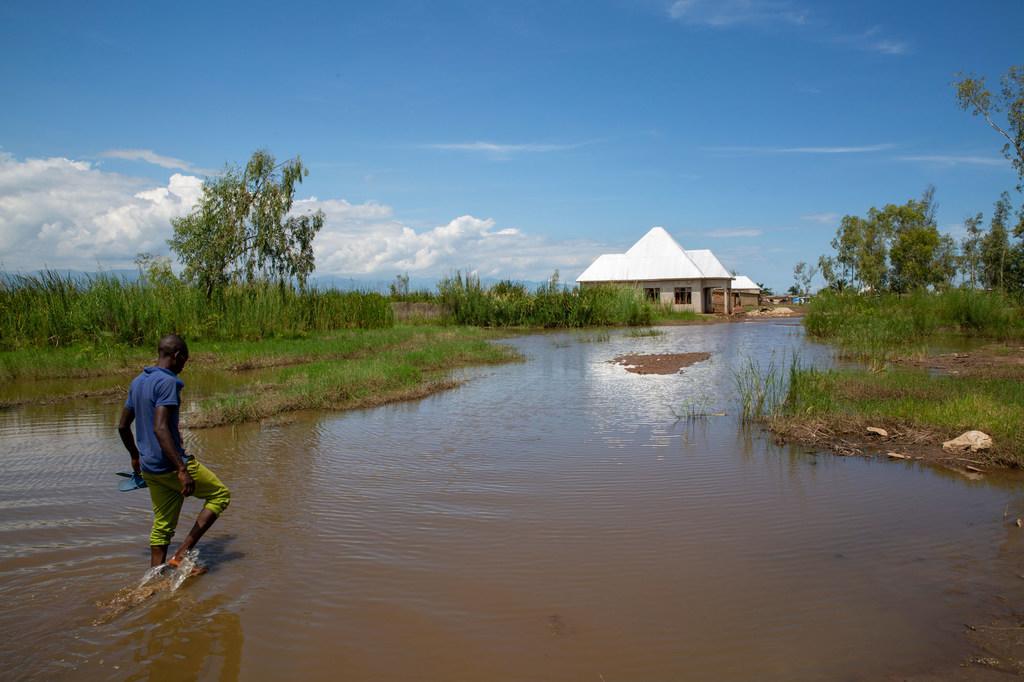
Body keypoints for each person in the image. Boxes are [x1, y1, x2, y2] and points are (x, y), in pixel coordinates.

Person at [117, 333, 230, 570]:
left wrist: (135, 456)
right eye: (184, 361)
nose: (183, 366)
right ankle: (181, 556)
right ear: (177, 356)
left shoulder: (138, 382)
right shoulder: (168, 382)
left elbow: (123, 426)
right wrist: (181, 469)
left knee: (163, 525)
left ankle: (154, 577)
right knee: (220, 494)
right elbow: (160, 428)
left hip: (150, 467)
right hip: (169, 465)